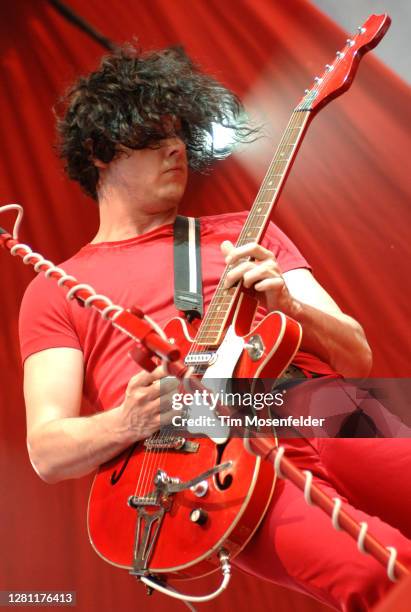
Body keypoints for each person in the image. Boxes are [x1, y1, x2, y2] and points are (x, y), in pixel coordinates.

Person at [19, 45, 411, 611]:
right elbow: (47, 450)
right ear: (98, 152)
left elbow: (357, 356)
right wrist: (129, 419)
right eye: (154, 138)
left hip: (320, 404)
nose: (176, 148)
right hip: (211, 464)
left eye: (180, 135)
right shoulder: (56, 288)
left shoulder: (242, 233)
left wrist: (291, 308)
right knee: (384, 579)